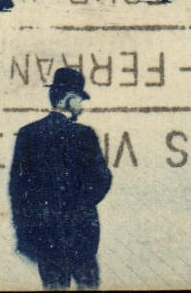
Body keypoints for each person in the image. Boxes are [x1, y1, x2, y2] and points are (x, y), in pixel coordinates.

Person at [9, 66, 113, 290]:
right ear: (69, 99)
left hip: (45, 233)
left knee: (53, 286)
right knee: (88, 284)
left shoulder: (28, 133)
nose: (81, 107)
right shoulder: (84, 134)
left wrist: (25, 232)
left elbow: (17, 190)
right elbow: (103, 180)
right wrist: (81, 204)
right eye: (79, 100)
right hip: (82, 232)